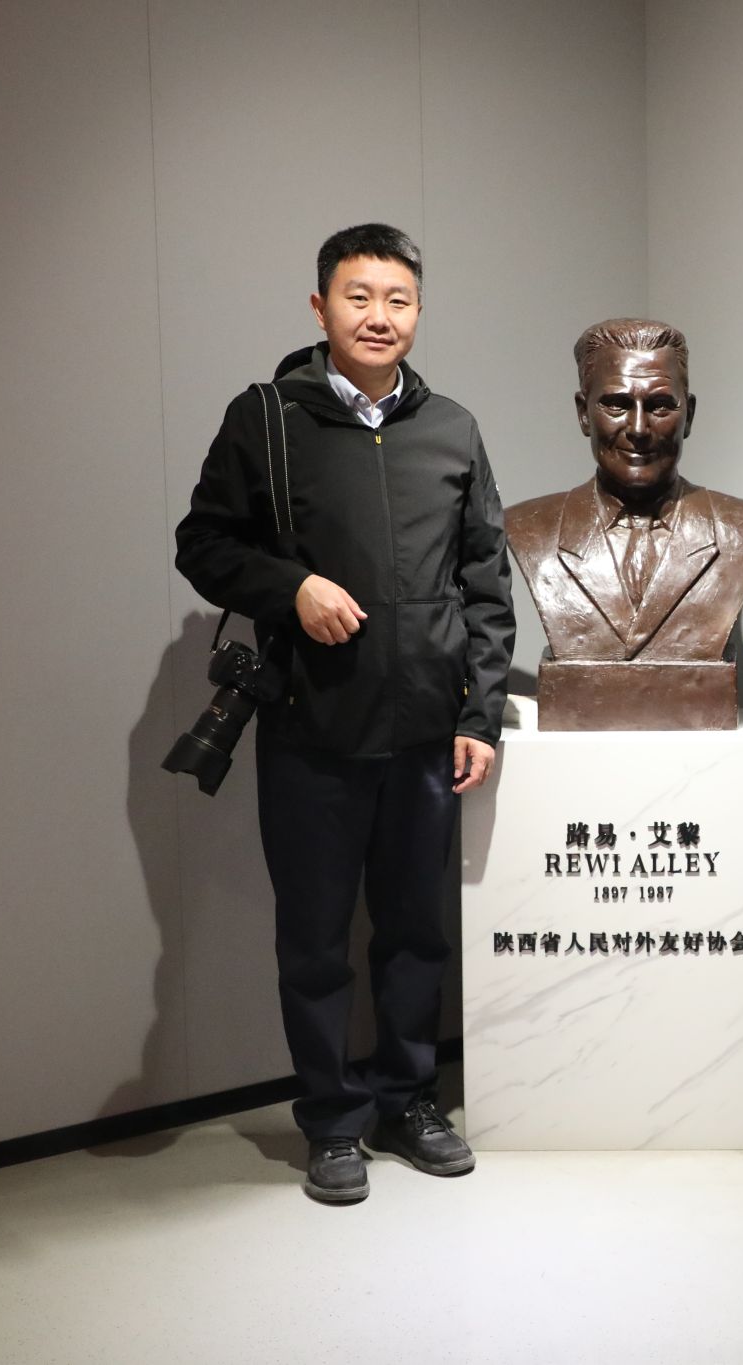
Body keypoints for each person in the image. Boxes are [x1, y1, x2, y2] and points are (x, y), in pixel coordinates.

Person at [175, 223, 515, 1204]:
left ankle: (409, 1102)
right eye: (359, 297)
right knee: (316, 941)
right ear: (320, 307)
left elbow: (486, 580)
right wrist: (291, 588)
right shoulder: (268, 419)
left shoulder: (451, 427)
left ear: (419, 311)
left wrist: (479, 716)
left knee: (414, 934)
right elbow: (203, 543)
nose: (379, 316)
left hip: (425, 734)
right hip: (310, 731)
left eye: (397, 299)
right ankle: (331, 1120)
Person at [503, 319, 743, 729]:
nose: (637, 429)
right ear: (583, 414)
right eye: (616, 404)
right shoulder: (528, 528)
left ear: (689, 415)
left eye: (660, 406)